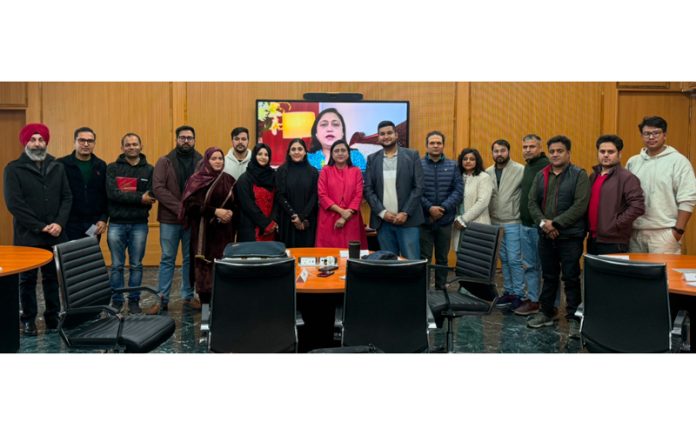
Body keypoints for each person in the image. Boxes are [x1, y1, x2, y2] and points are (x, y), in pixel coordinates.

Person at [4, 123, 72, 335]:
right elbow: (14, 204)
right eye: (32, 140)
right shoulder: (13, 168)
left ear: (46, 142)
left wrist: (59, 223)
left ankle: (52, 318)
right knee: (27, 280)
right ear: (25, 142)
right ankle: (28, 320)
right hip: (28, 235)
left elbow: (67, 197)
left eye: (40, 139)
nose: (37, 143)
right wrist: (41, 227)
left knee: (53, 278)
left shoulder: (57, 166)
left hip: (55, 234)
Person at [527, 135, 589, 339]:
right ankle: (547, 313)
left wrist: (557, 223)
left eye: (559, 151)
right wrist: (545, 224)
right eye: (552, 151)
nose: (555, 154)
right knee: (549, 276)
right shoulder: (541, 174)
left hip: (570, 237)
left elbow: (580, 205)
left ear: (568, 153)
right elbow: (532, 202)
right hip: (546, 236)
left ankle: (573, 318)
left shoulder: (579, 175)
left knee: (571, 277)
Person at [626, 116, 696, 254]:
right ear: (642, 136)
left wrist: (678, 231)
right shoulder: (633, 162)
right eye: (647, 134)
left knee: (664, 275)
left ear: (665, 135)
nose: (651, 137)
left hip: (664, 233)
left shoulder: (678, 161)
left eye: (656, 133)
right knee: (637, 275)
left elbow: (688, 199)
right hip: (635, 233)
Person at [152, 125, 202, 312]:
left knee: (189, 259)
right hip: (169, 220)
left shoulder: (201, 161)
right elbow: (158, 188)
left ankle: (188, 297)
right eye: (182, 138)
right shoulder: (164, 161)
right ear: (176, 139)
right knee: (167, 258)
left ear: (194, 140)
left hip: (193, 219)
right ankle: (162, 299)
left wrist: (190, 209)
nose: (186, 141)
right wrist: (180, 208)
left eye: (189, 137)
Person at [105, 132, 157, 314]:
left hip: (139, 224)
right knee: (117, 266)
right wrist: (138, 198)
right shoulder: (112, 168)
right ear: (122, 148)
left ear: (141, 146)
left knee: (136, 265)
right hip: (116, 224)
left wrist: (133, 197)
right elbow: (112, 194)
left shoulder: (150, 170)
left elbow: (150, 196)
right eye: (128, 144)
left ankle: (134, 301)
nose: (132, 147)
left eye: (135, 144)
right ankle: (117, 300)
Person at [180, 147, 236, 305]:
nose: (218, 161)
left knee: (222, 267)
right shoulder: (196, 180)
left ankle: (222, 305)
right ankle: (205, 305)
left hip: (224, 233)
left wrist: (230, 214)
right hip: (203, 233)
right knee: (204, 270)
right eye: (214, 158)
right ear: (206, 160)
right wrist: (215, 211)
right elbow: (190, 206)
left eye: (220, 158)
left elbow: (236, 205)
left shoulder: (229, 180)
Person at [364, 120, 424, 259]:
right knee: (389, 262)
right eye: (382, 134)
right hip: (384, 222)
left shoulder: (412, 155)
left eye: (389, 133)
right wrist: (382, 212)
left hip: (408, 220)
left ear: (396, 135)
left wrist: (405, 212)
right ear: (378, 137)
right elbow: (368, 189)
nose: (386, 136)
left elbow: (419, 187)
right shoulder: (372, 159)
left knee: (411, 261)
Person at [419, 131, 463, 290]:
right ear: (427, 145)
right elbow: (415, 190)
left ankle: (440, 289)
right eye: (432, 143)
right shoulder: (418, 164)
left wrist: (442, 208)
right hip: (424, 220)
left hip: (445, 220)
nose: (436, 146)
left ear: (443, 145)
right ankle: (422, 291)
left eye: (439, 143)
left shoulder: (453, 166)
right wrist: (429, 208)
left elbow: (458, 190)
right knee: (424, 258)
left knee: (442, 258)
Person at [587, 134, 645, 255]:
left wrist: (616, 224)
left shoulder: (627, 178)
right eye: (602, 151)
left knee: (611, 274)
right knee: (594, 274)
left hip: (614, 242)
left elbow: (637, 206)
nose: (606, 155)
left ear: (619, 154)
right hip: (593, 238)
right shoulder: (593, 176)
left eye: (611, 152)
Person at [485, 139, 525, 310]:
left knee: (515, 260)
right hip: (495, 222)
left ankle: (519, 294)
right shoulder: (488, 172)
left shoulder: (520, 170)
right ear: (492, 153)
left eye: (502, 150)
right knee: (505, 260)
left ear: (508, 151)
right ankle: (508, 292)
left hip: (513, 221)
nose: (499, 154)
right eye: (496, 151)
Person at [514, 134, 549, 316]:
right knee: (529, 265)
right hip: (525, 225)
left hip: (540, 226)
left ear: (540, 148)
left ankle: (550, 304)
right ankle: (534, 300)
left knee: (547, 267)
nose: (528, 150)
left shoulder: (546, 166)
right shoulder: (528, 167)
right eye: (525, 147)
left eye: (532, 147)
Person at [57, 127, 108, 241]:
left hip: (93, 224)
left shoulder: (101, 165)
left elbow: (105, 195)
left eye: (90, 141)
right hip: (68, 223)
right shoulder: (61, 164)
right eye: (81, 140)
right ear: (74, 142)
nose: (86, 144)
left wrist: (103, 218)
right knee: (70, 257)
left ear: (94, 143)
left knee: (89, 257)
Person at [316, 140, 368, 248]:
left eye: (343, 150)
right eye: (336, 151)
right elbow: (322, 195)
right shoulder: (325, 170)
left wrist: (344, 217)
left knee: (352, 253)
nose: (340, 153)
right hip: (329, 217)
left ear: (348, 154)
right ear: (332, 155)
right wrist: (342, 212)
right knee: (329, 255)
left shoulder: (356, 171)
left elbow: (358, 195)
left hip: (351, 217)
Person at [275, 139, 319, 247]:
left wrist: (302, 216)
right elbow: (280, 195)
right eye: (293, 149)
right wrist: (294, 216)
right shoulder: (281, 170)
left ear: (305, 152)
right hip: (287, 220)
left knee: (308, 257)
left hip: (308, 220)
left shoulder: (313, 172)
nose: (296, 152)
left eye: (300, 149)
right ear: (289, 152)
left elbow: (315, 195)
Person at [451, 148, 493, 251]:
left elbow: (482, 202)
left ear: (477, 161)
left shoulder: (484, 177)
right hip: (457, 224)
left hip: (477, 223)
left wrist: (463, 219)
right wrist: (457, 220)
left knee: (475, 257)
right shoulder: (458, 177)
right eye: (465, 159)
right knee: (460, 254)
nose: (468, 161)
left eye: (472, 159)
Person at [235, 143, 278, 242]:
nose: (263, 157)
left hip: (271, 229)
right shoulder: (244, 179)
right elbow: (248, 205)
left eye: (266, 155)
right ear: (254, 156)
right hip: (251, 229)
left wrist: (273, 221)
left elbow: (277, 200)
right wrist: (265, 224)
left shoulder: (274, 176)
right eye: (259, 154)